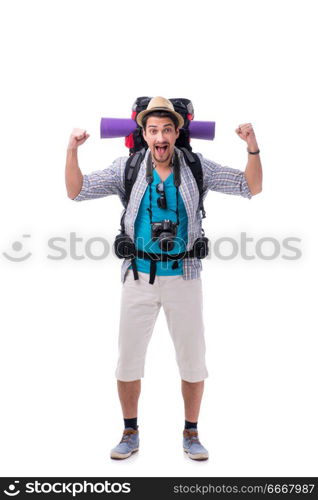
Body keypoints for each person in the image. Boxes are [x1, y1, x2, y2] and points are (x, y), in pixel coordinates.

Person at [65, 97, 263, 461]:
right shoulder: (128, 168)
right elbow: (77, 191)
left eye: (167, 129)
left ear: (177, 133)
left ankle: (191, 433)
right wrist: (72, 150)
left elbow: (250, 187)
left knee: (193, 360)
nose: (160, 136)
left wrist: (252, 146)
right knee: (128, 360)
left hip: (185, 277)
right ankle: (129, 432)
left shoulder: (195, 167)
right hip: (138, 277)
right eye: (153, 130)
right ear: (143, 134)